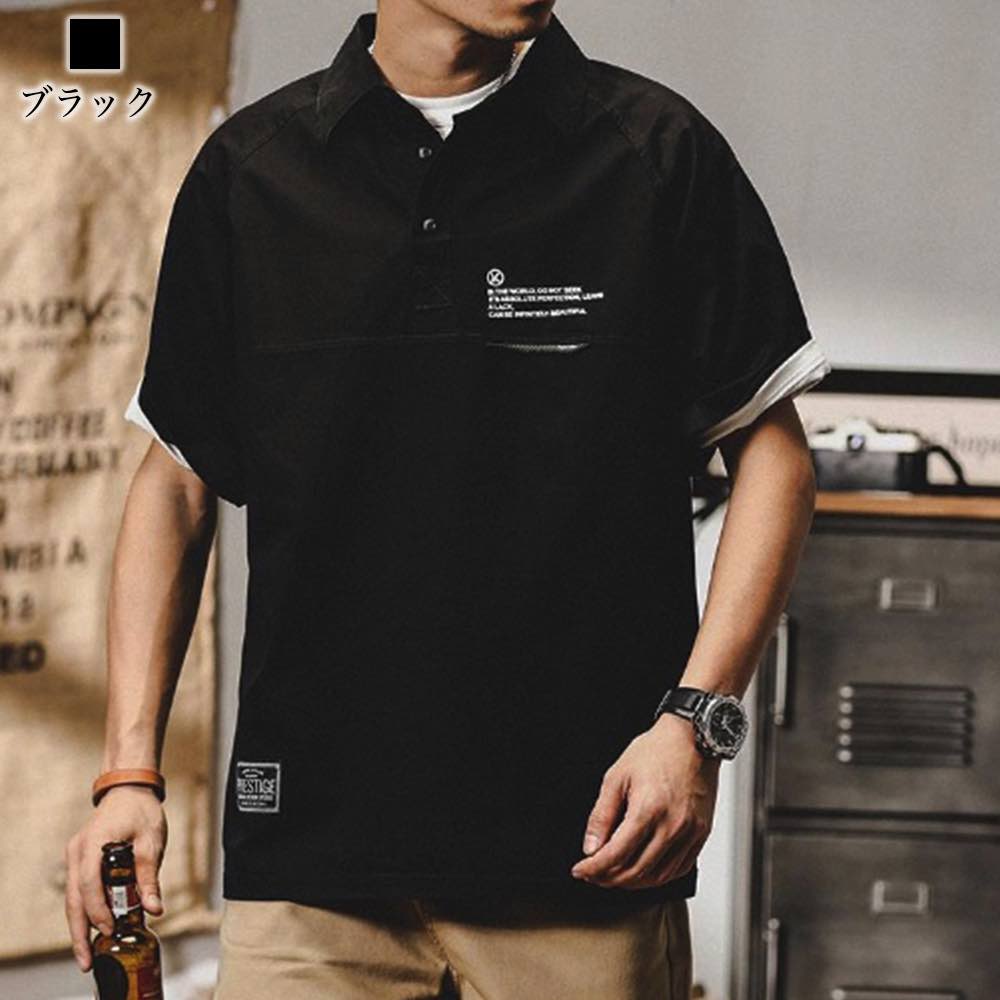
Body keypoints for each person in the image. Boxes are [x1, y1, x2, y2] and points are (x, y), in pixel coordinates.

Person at [64, 1, 830, 996]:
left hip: (585, 856)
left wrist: (696, 721)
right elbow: (176, 479)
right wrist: (128, 773)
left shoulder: (654, 152)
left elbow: (775, 459)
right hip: (311, 876)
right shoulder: (251, 171)